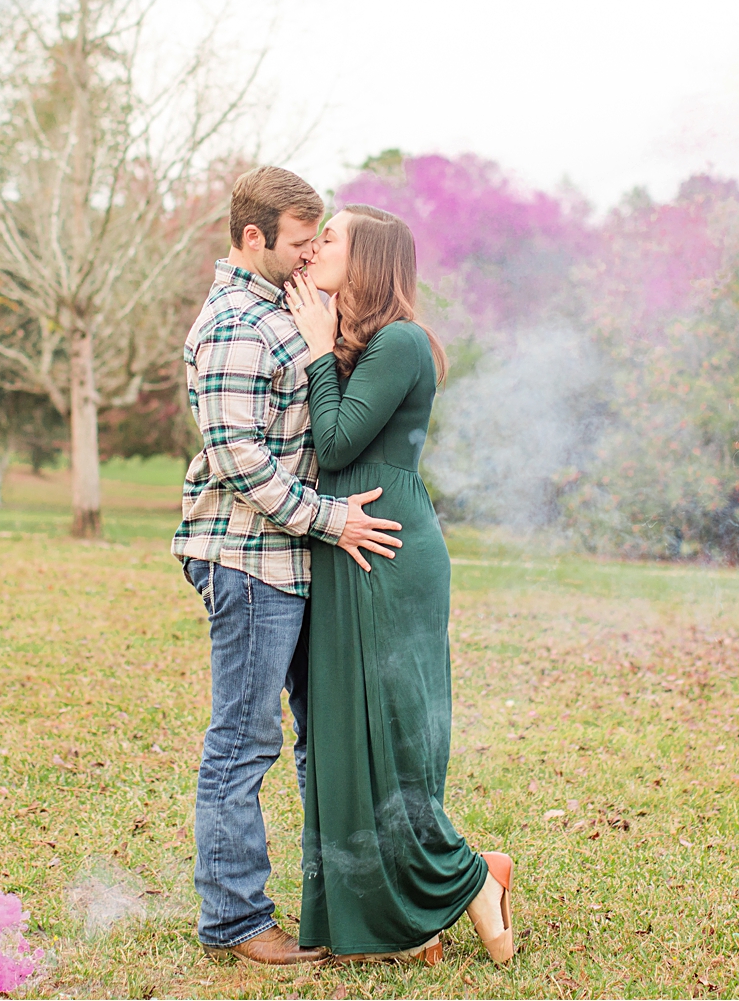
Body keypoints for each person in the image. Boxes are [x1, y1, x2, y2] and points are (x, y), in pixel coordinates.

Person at [172, 167, 408, 968]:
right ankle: (235, 922)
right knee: (244, 743)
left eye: (318, 243)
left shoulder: (284, 310)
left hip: (294, 558)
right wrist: (330, 517)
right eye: (300, 244)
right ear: (253, 239)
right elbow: (236, 459)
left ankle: (337, 904)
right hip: (248, 560)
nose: (310, 257)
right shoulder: (236, 320)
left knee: (318, 740)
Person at [282, 204, 516, 966]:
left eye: (332, 237)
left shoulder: (402, 341)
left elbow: (339, 440)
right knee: (348, 734)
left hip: (388, 551)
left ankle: (473, 878)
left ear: (371, 259)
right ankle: (396, 921)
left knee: (393, 732)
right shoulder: (361, 346)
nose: (316, 246)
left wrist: (319, 351)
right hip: (343, 543)